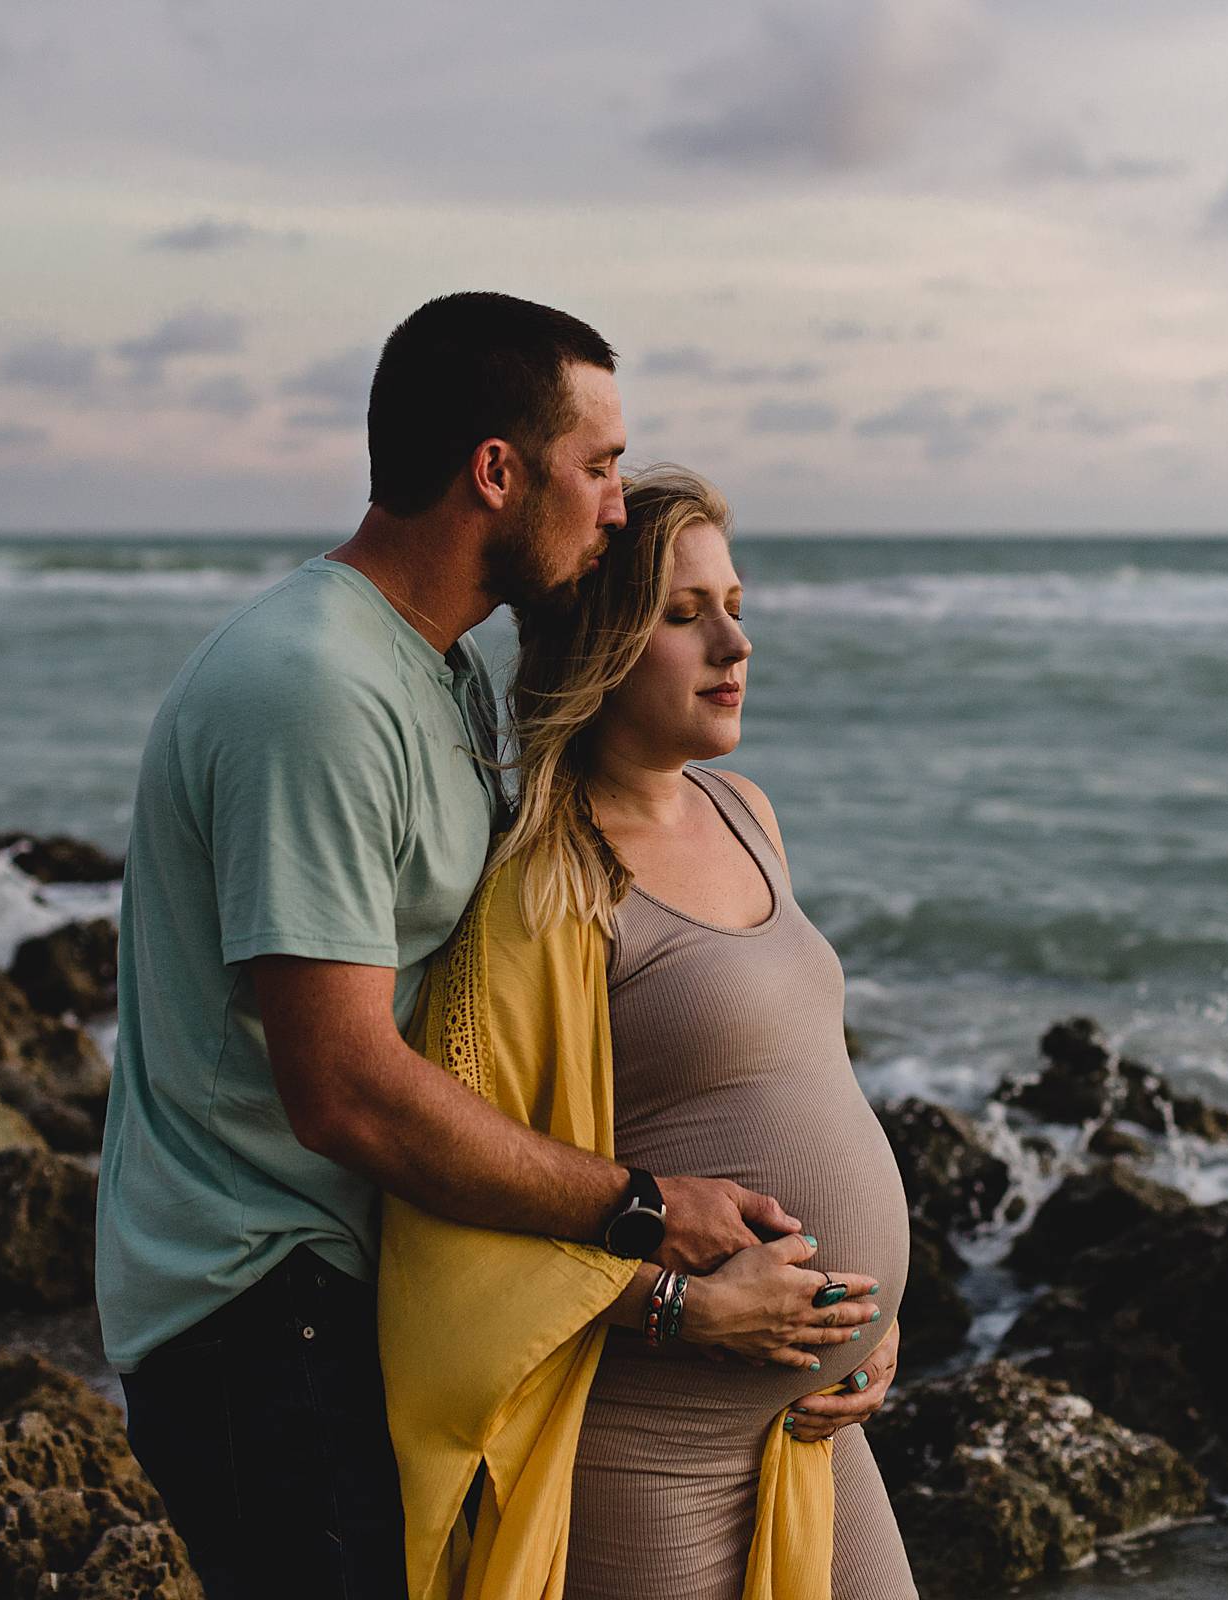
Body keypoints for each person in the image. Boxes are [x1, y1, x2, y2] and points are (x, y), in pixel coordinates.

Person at [94, 293, 842, 1600]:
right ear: (496, 472)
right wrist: (648, 1219)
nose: (616, 506)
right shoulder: (313, 692)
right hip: (261, 1305)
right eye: (599, 467)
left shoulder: (437, 676)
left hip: (350, 1289)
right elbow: (344, 1091)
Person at [378, 466, 915, 1600]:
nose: (735, 642)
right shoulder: (546, 882)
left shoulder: (745, 812)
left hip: (814, 1430)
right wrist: (680, 1306)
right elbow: (451, 1207)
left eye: (736, 602)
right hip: (651, 1445)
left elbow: (799, 1077)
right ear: (603, 643)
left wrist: (878, 1324)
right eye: (684, 615)